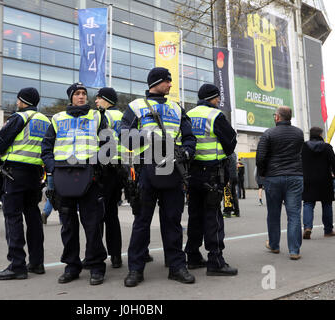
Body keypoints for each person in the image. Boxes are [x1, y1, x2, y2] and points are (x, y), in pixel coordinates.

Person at [120, 67, 197, 287]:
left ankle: (176, 267)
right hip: (147, 168)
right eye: (167, 81)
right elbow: (123, 135)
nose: (171, 85)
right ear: (156, 82)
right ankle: (135, 269)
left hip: (173, 168)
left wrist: (187, 152)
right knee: (142, 222)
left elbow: (189, 137)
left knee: (172, 221)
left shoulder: (176, 108)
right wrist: (148, 136)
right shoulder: (135, 106)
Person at [41, 82, 108, 286]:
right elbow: (46, 147)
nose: (81, 97)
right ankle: (71, 266)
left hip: (89, 177)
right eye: (77, 94)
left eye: (84, 94)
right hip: (64, 178)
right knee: (68, 226)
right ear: (70, 97)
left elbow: (108, 145)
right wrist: (52, 167)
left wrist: (97, 168)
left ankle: (96, 266)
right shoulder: (58, 119)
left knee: (92, 224)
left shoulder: (96, 117)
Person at [0, 87, 50, 280]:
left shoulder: (19, 117)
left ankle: (17, 265)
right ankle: (37, 262)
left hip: (15, 173)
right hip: (35, 174)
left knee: (13, 216)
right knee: (32, 215)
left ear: (21, 100)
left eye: (18, 100)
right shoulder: (45, 120)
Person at [184, 83, 238, 276]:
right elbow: (231, 143)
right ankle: (215, 260)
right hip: (211, 174)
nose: (218, 101)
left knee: (195, 216)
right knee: (213, 217)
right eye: (217, 98)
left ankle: (192, 255)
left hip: (192, 174)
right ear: (213, 98)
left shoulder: (188, 114)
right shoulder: (215, 115)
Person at [256, 106, 304, 260]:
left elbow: (260, 157)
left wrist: (263, 174)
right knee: (294, 214)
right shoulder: (299, 133)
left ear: (277, 117)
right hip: (295, 176)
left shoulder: (268, 133)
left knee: (274, 213)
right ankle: (294, 250)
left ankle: (274, 245)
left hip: (274, 177)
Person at [95, 87, 124, 269]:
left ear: (106, 100)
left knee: (97, 215)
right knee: (112, 214)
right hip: (119, 168)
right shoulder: (123, 116)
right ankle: (116, 256)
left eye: (98, 98)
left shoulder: (101, 116)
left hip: (103, 169)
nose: (96, 101)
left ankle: (97, 256)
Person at [301, 127, 335, 239]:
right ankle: (328, 230)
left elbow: (298, 163)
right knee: (327, 204)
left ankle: (307, 227)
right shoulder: (327, 148)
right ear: (320, 135)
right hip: (325, 180)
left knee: (308, 204)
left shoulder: (304, 147)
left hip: (308, 180)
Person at [223, 152, 240, 218]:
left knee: (227, 193)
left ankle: (227, 212)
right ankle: (237, 211)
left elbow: (226, 166)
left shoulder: (226, 154)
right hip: (235, 176)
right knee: (234, 194)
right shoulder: (234, 154)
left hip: (229, 177)